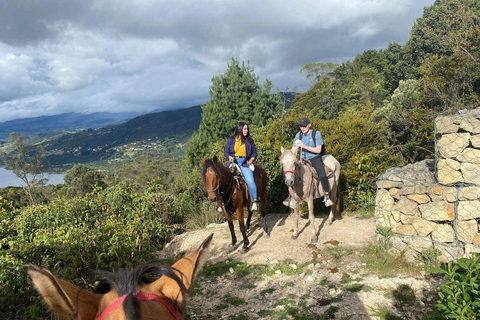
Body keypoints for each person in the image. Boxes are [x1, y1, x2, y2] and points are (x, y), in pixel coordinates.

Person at [284, 117, 334, 207]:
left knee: (322, 174)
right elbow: (294, 149)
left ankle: (327, 196)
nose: (302, 128)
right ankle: (290, 197)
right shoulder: (298, 135)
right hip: (302, 159)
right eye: (301, 126)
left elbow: (319, 150)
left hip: (314, 158)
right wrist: (289, 155)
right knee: (291, 173)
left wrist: (304, 146)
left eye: (304, 126)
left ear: (309, 125)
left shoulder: (316, 134)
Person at [224, 122, 259, 211]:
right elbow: (226, 151)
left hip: (244, 162)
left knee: (250, 180)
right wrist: (229, 157)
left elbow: (254, 152)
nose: (246, 131)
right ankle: (222, 202)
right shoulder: (231, 139)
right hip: (233, 161)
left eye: (247, 129)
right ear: (240, 129)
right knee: (222, 177)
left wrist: (251, 159)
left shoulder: (249, 140)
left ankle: (254, 201)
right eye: (245, 129)